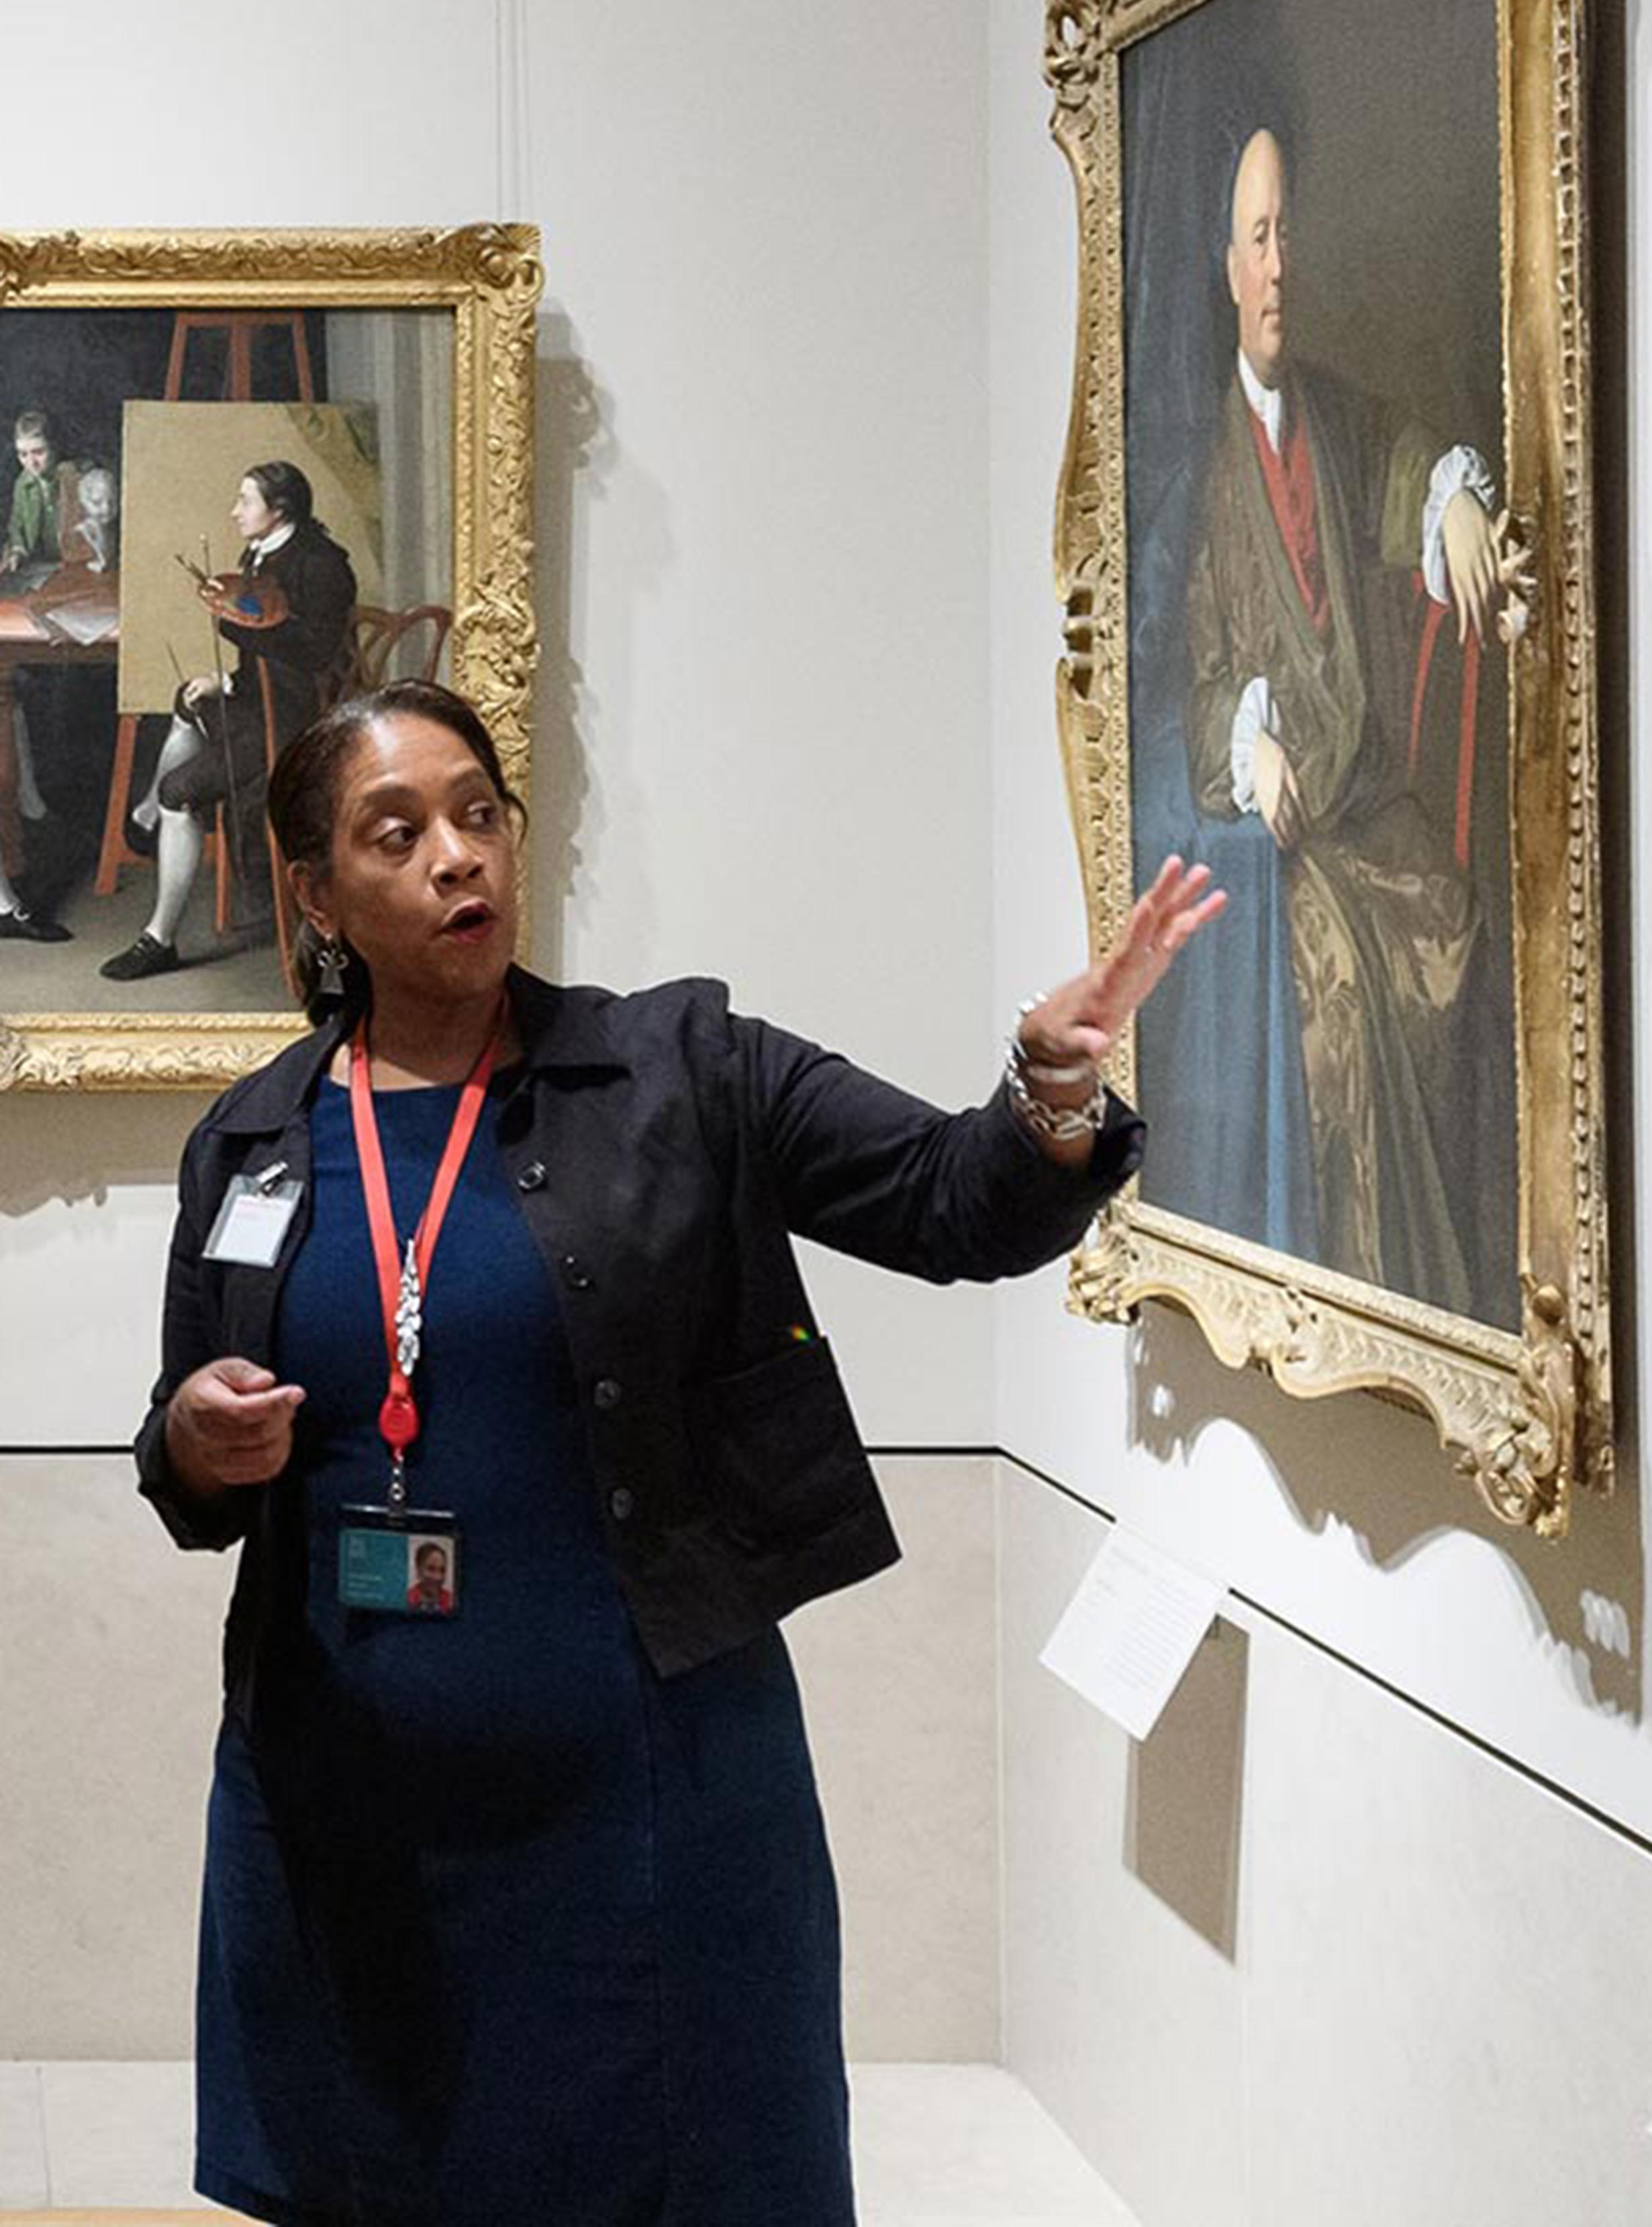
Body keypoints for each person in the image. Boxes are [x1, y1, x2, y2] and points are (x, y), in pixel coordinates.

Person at [135, 677, 1222, 2224]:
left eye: (479, 814)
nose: (458, 855)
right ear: (317, 895)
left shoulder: (683, 1070)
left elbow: (951, 1202)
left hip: (645, 1807)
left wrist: (1050, 1090)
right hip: (341, 1813)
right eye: (399, 831)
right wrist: (193, 1439)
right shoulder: (252, 1139)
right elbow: (182, 1464)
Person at [1181, 121, 1519, 1321]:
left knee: (1459, 926)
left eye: (1290, 237)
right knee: (1345, 1007)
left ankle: (1462, 1294)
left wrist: (1456, 504)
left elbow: (1407, 459)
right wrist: (1250, 745)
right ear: (1228, 266)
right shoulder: (1199, 464)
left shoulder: (1328, 415)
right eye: (1259, 239)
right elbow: (1186, 681)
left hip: (1363, 804)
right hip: (1289, 840)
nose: (1280, 266)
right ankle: (1372, 1305)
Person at [102, 459, 356, 981]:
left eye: (245, 501)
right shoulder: (260, 553)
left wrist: (241, 626)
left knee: (180, 792)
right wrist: (227, 681)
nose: (235, 511)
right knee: (188, 700)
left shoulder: (320, 564)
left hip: (294, 724)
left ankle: (159, 938)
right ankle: (149, 813)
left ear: (279, 509)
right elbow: (260, 659)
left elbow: (315, 656)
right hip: (261, 702)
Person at [1, 409, 74, 574]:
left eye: (39, 452)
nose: (31, 463)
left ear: (54, 447)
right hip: (42, 567)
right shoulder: (23, 484)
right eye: (23, 454)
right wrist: (17, 551)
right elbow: (16, 527)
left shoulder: (72, 477)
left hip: (73, 565)